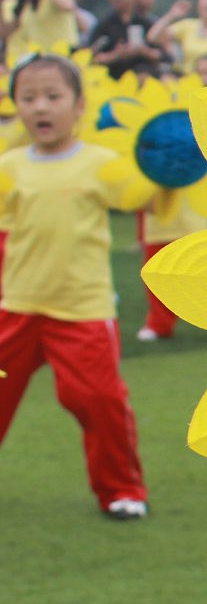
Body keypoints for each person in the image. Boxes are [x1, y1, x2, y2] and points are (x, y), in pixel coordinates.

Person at [0, 56, 148, 519]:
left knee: (99, 401)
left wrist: (169, 166)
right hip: (17, 304)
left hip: (82, 308)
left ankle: (122, 491)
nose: (40, 107)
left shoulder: (100, 163)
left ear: (79, 105)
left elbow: (140, 194)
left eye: (52, 97)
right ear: (15, 106)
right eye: (28, 98)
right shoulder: (9, 166)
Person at [135, 54, 207, 344]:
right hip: (175, 193)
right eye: (198, 72)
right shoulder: (174, 115)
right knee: (160, 258)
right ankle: (160, 323)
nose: (202, 78)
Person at [86, 0, 163, 80]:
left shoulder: (146, 23)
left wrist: (142, 50)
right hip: (111, 78)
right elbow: (91, 57)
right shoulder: (104, 25)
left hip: (143, 77)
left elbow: (161, 56)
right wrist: (116, 55)